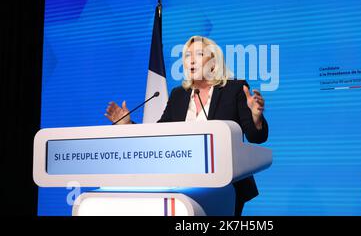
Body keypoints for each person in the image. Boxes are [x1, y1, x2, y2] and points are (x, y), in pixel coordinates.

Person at [105, 35, 268, 216]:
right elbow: (158, 135)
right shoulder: (178, 95)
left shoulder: (234, 89)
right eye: (187, 56)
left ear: (213, 63)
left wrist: (255, 116)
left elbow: (256, 136)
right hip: (184, 185)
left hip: (226, 185)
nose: (191, 61)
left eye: (198, 54)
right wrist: (128, 125)